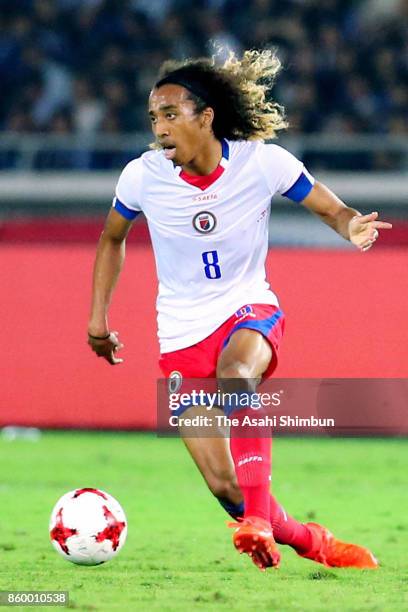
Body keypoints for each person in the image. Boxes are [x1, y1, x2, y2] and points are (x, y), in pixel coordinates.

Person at [88, 50, 391, 571]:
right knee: (226, 485)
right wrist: (98, 318)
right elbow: (112, 238)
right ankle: (306, 538)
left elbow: (329, 206)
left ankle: (254, 521)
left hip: (247, 310)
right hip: (181, 332)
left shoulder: (261, 161)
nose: (159, 128)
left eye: (170, 114)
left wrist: (351, 227)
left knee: (237, 378)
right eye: (153, 117)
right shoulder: (142, 177)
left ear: (205, 118)